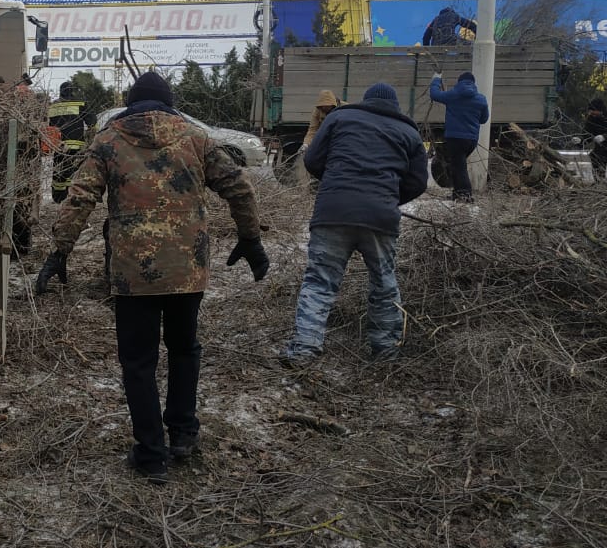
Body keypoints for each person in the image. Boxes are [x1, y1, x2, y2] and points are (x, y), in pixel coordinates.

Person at [34, 71, 267, 482]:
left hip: (132, 273)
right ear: (169, 102)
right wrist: (250, 238)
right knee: (183, 349)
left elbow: (80, 197)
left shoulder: (109, 140)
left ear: (131, 103)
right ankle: (183, 434)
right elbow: (240, 187)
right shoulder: (197, 138)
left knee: (138, 363)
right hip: (187, 269)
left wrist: (60, 250)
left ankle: (151, 455)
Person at [281, 82, 428, 366]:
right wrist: (389, 198)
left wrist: (337, 183)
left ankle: (304, 350)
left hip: (333, 212)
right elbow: (418, 182)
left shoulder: (339, 118)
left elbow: (312, 159)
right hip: (380, 217)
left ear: (366, 101)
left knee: (319, 282)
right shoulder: (409, 132)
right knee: (384, 284)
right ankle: (385, 352)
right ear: (395, 107)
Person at [429, 70, 489, 202]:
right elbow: (484, 119)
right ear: (473, 83)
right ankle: (458, 193)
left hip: (455, 138)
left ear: (459, 82)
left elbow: (434, 94)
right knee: (458, 164)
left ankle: (464, 193)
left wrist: (436, 79)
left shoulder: (453, 95)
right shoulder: (481, 99)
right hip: (471, 140)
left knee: (458, 166)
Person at [46, 81, 92, 203]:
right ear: (72, 91)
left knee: (59, 172)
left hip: (58, 146)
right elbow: (92, 122)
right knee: (74, 172)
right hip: (76, 146)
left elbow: (49, 125)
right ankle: (74, 197)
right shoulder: (80, 103)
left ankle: (59, 198)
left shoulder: (53, 106)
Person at [295, 89, 339, 184]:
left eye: (325, 106)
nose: (323, 108)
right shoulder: (318, 111)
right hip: (326, 139)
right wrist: (306, 144)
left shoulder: (345, 108)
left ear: (332, 104)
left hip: (341, 140)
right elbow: (313, 130)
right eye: (321, 106)